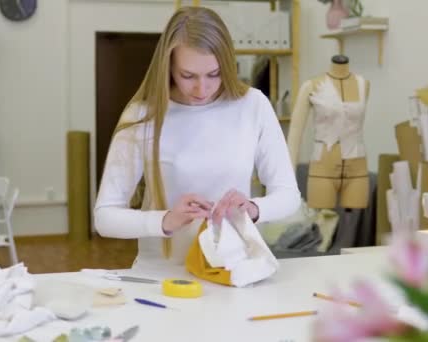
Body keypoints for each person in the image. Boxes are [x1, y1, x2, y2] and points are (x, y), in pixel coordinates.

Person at [94, 6, 300, 266]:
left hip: (233, 269)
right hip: (162, 274)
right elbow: (105, 217)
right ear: (168, 67)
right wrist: (166, 220)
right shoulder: (143, 116)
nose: (202, 89)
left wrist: (254, 208)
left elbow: (288, 195)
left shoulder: (253, 105)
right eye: (187, 75)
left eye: (214, 74)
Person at [287, 54, 370, 210]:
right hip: (322, 169)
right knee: (321, 225)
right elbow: (295, 134)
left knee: (351, 222)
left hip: (357, 169)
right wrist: (287, 176)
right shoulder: (312, 86)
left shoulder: (363, 84)